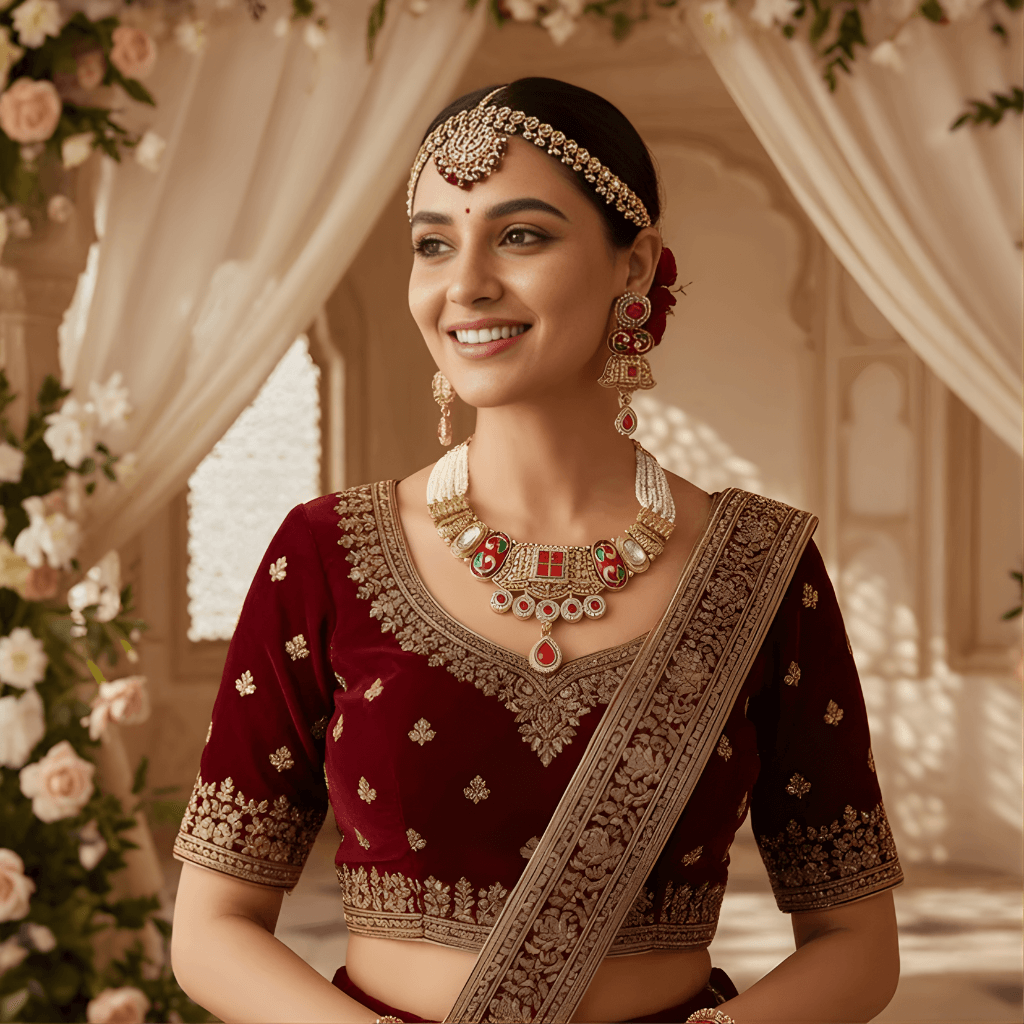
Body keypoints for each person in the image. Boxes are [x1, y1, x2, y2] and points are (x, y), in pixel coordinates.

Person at [170, 78, 902, 1024]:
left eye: (521, 235)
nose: (464, 284)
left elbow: (857, 945)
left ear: (633, 266)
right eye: (433, 243)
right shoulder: (324, 553)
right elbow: (212, 926)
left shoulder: (758, 569)